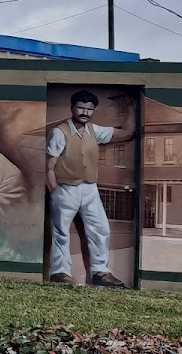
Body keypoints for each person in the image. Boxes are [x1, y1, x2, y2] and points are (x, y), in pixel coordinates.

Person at [46, 89, 135, 288]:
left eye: (89, 109)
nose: (85, 112)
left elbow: (127, 133)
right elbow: (49, 166)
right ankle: (60, 273)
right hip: (65, 187)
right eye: (80, 108)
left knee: (100, 229)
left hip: (89, 188)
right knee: (60, 231)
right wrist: (55, 191)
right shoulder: (59, 132)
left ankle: (100, 273)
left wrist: (130, 106)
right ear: (72, 108)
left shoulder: (95, 131)